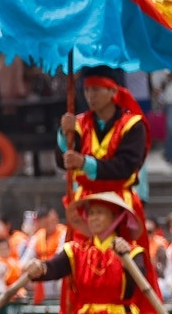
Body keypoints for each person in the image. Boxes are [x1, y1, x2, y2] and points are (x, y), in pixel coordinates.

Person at [13, 192, 163, 314]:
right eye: (91, 213)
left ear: (115, 217)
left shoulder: (131, 252)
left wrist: (125, 261)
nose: (94, 218)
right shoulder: (76, 251)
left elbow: (139, 280)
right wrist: (40, 267)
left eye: (100, 213)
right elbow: (52, 268)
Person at [60, 65, 150, 245]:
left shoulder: (132, 125)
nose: (90, 96)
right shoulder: (78, 123)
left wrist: (85, 163)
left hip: (119, 205)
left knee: (127, 258)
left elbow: (126, 166)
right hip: (85, 205)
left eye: (96, 89)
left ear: (113, 90)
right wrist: (64, 135)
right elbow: (62, 161)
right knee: (80, 257)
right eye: (86, 90)